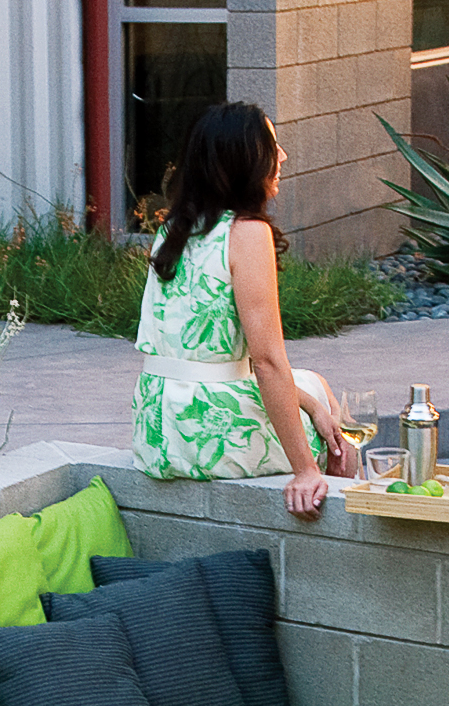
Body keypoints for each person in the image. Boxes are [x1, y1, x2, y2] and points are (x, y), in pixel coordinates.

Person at [133, 102, 353, 519]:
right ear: (243, 161)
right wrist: (305, 469)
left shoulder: (174, 229)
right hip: (198, 435)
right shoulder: (247, 233)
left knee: (313, 392)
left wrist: (309, 404)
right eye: (272, 146)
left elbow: (223, 360)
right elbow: (267, 361)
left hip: (156, 425)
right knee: (340, 437)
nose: (282, 156)